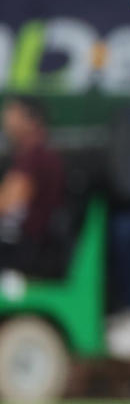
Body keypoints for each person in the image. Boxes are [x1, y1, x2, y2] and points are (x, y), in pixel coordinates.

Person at [0, 96, 66, 279]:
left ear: (31, 121)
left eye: (11, 114)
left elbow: (7, 204)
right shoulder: (27, 156)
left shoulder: (37, 157)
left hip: (25, 250)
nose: (5, 120)